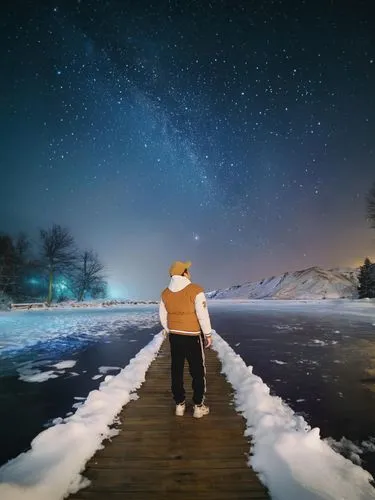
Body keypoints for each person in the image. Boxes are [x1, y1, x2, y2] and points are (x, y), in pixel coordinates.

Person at [159, 260, 213, 418]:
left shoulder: (165, 293)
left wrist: (170, 330)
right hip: (192, 337)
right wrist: (208, 334)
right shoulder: (195, 290)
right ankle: (198, 406)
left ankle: (179, 405)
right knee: (197, 371)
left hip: (175, 337)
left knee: (176, 370)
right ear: (184, 273)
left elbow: (163, 316)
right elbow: (202, 315)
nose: (189, 272)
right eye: (187, 270)